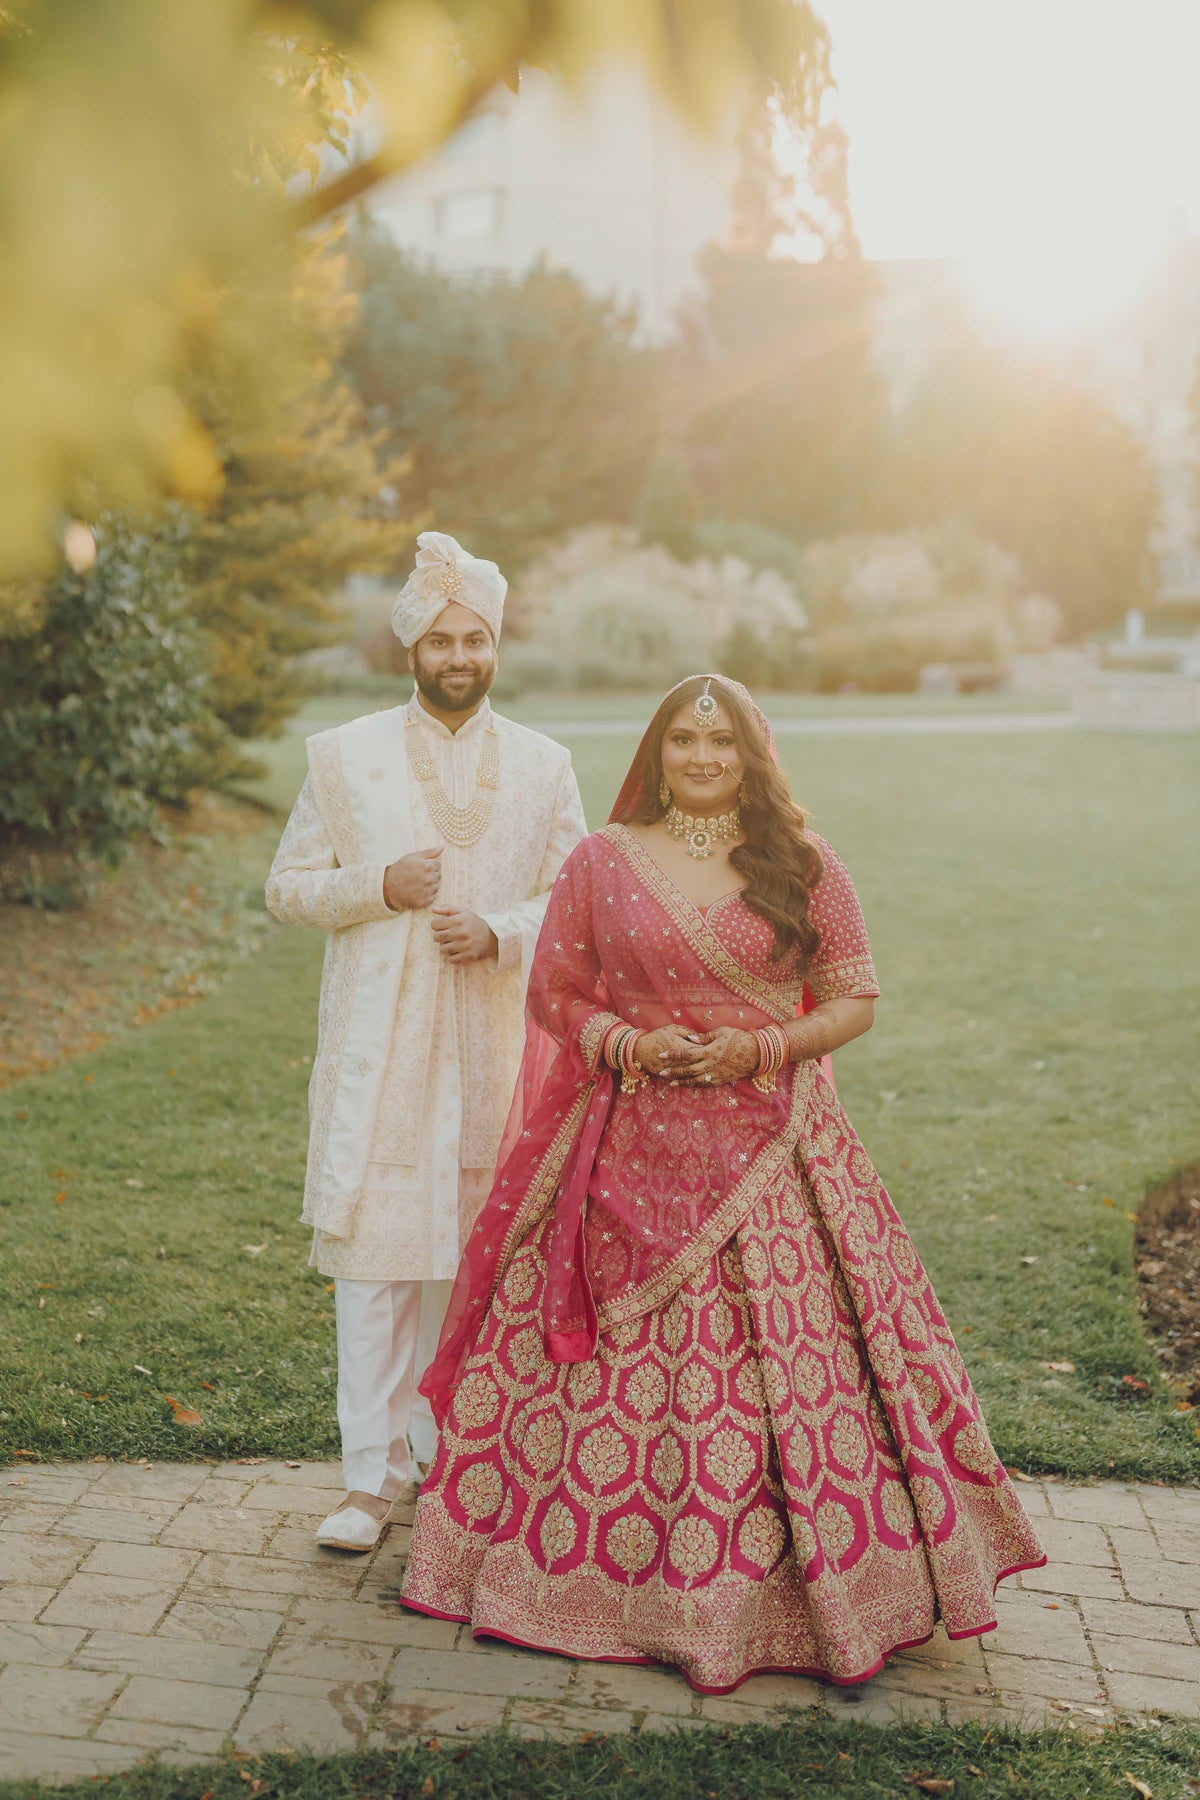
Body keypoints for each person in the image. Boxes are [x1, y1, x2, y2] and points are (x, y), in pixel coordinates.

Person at [398, 673, 1045, 1691]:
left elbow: (854, 997)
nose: (702, 758)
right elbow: (555, 991)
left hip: (778, 1144)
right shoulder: (601, 861)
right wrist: (621, 1039)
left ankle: (790, 1596)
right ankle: (564, 1576)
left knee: (805, 1365)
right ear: (656, 752)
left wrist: (764, 1051)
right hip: (621, 1137)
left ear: (753, 753)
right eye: (685, 740)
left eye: (722, 741)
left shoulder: (804, 860)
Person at [265, 532, 586, 1552]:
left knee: (470, 1262)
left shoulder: (544, 765)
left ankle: (454, 1463)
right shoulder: (344, 755)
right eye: (440, 639)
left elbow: (577, 903)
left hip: (493, 1046)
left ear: (495, 647)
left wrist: (501, 932)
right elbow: (286, 889)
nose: (458, 656)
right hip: (382, 1048)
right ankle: (369, 1480)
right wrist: (377, 889)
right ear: (411, 646)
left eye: (474, 640)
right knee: (375, 1266)